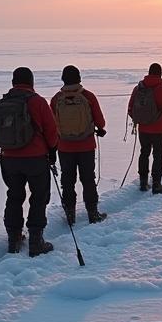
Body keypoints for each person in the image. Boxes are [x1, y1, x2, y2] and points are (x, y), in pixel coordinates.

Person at [0, 67, 59, 256]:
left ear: (13, 82)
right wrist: (51, 150)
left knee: (14, 196)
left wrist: (7, 147)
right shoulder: (38, 102)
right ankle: (35, 240)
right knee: (39, 198)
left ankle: (13, 239)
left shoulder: (3, 103)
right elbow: (51, 131)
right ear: (31, 82)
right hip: (36, 159)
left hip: (9, 159)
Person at [50, 65, 107, 226]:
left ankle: (70, 214)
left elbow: (51, 126)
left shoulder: (56, 99)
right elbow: (101, 122)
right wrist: (99, 129)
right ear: (79, 78)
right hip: (86, 146)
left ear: (63, 79)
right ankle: (93, 213)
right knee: (88, 179)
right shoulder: (88, 97)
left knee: (67, 181)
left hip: (64, 147)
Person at [128, 63, 162, 193]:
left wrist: (141, 118)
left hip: (143, 129)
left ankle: (143, 183)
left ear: (148, 73)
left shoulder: (138, 88)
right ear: (160, 73)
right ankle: (156, 184)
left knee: (144, 153)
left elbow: (130, 108)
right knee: (157, 155)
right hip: (159, 128)